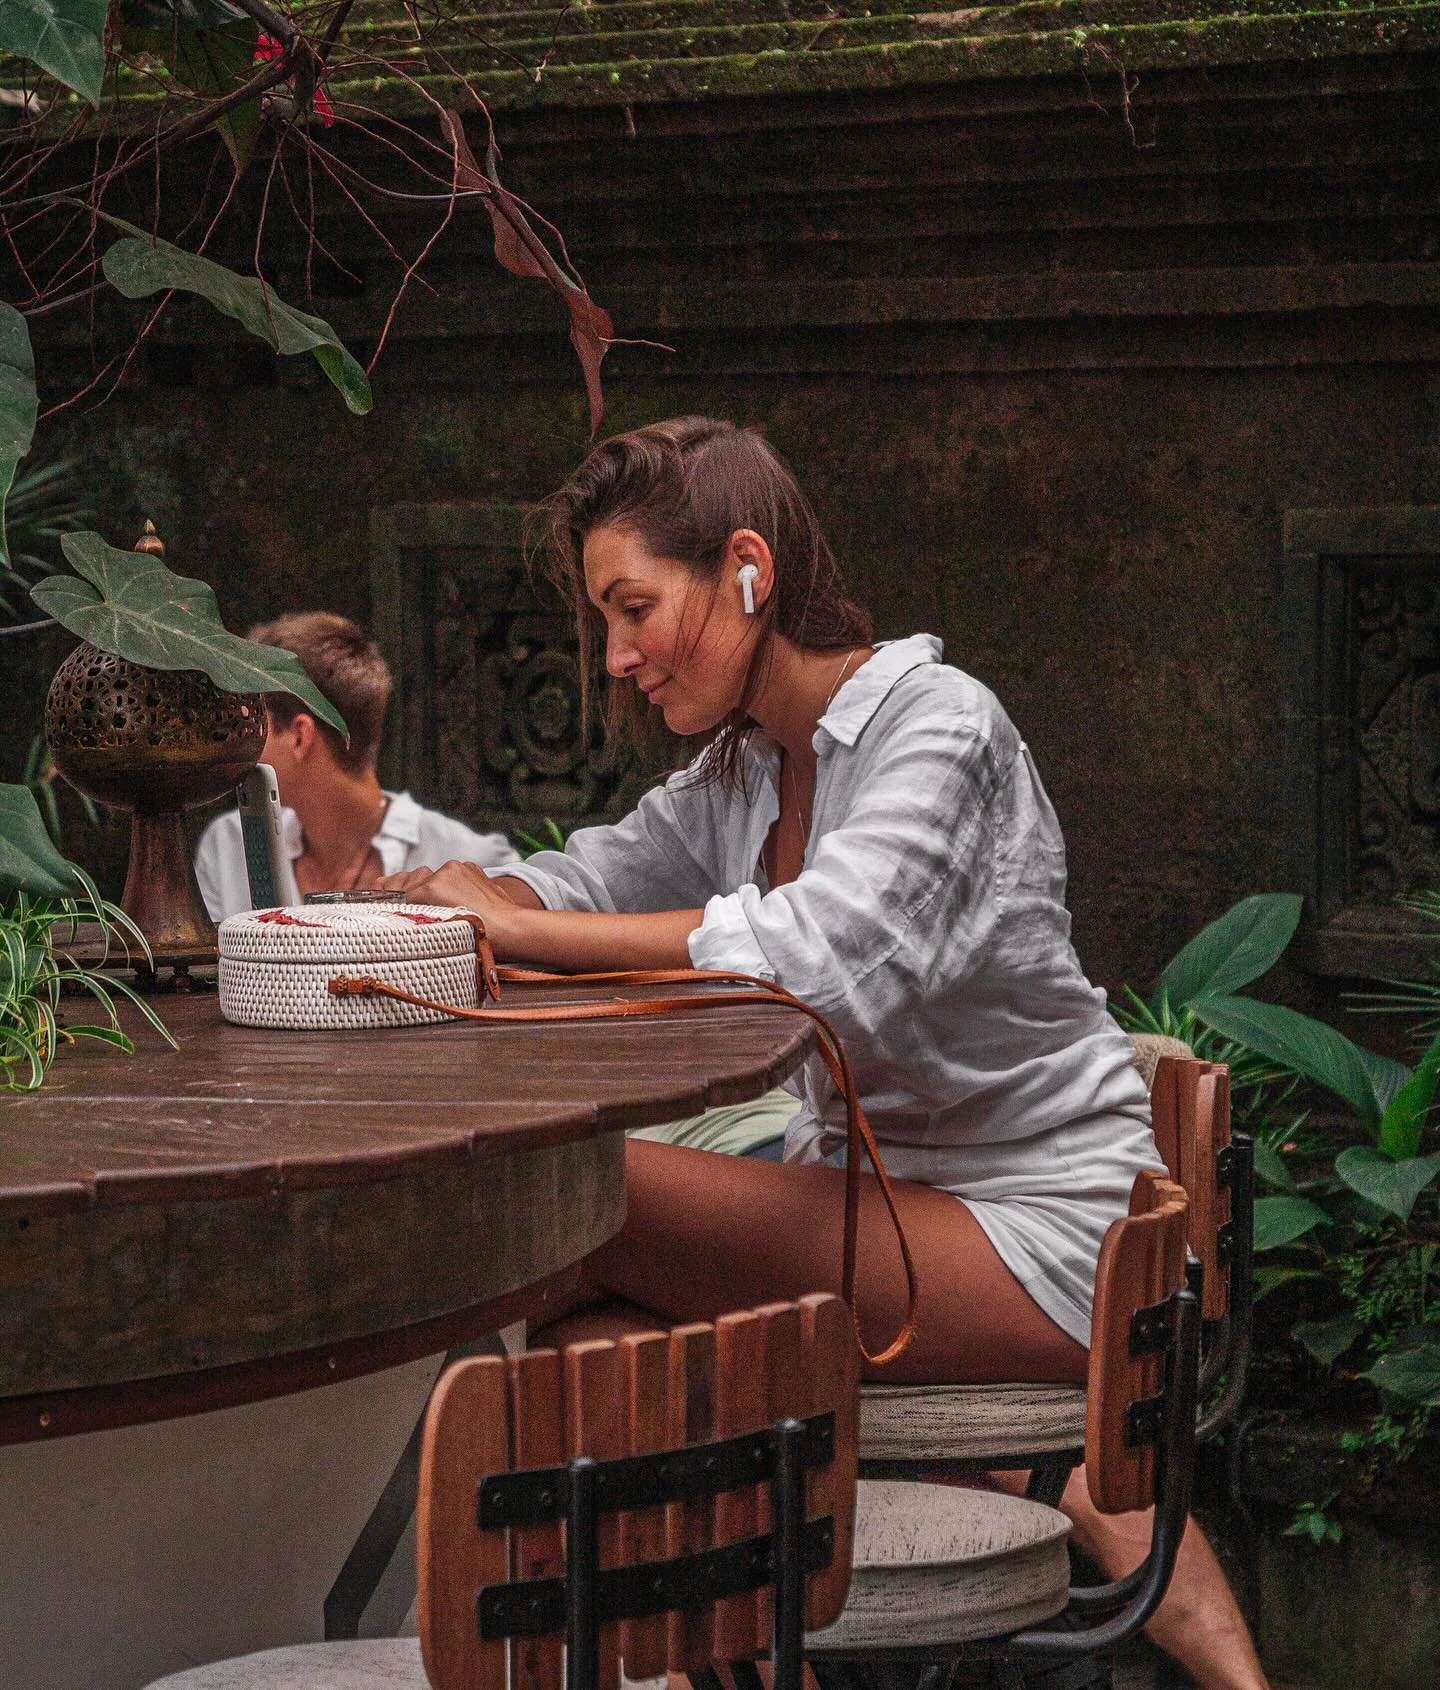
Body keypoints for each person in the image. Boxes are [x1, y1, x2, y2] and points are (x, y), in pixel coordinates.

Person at [377, 418, 1270, 1690]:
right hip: (902, 1220)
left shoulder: (937, 728)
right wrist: (484, 886)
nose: (618, 656)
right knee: (600, 1343)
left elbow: (815, 953)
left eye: (636, 609)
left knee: (573, 1205)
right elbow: (588, 880)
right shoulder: (744, 773)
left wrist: (519, 924)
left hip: (1048, 1233)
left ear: (749, 567)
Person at [195, 612, 518, 921]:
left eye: (251, 725)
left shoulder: (469, 858)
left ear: (299, 736)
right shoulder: (229, 846)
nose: (236, 741)